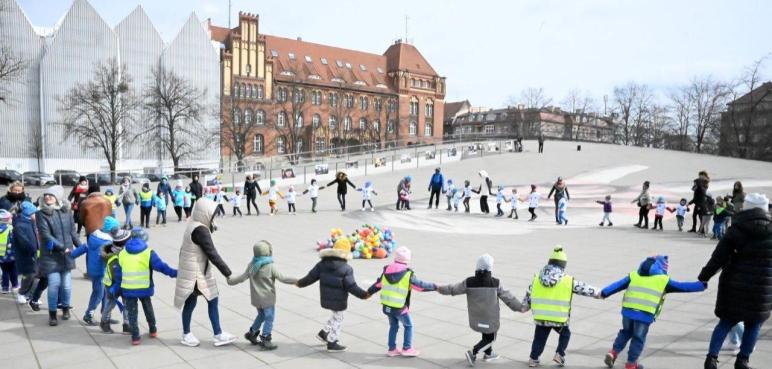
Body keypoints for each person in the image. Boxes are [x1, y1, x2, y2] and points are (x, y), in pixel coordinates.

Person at [699, 193, 772, 369]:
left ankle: (712, 359)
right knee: (753, 324)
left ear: (746, 207)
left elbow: (719, 257)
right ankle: (743, 360)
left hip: (734, 283)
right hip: (762, 286)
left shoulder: (736, 227)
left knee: (725, 321)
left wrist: (704, 276)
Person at [600, 255, 705, 369]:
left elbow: (618, 284)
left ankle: (613, 352)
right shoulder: (663, 280)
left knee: (625, 332)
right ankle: (631, 364)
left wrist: (605, 292)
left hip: (628, 311)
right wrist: (701, 285)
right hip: (644, 314)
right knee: (638, 338)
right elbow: (683, 286)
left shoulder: (634, 275)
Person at [438, 254, 524, 366]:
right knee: (491, 338)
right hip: (490, 317)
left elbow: (453, 289)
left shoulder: (469, 282)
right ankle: (473, 353)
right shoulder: (495, 283)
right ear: (490, 268)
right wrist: (520, 307)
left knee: (486, 333)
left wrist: (439, 288)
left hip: (476, 316)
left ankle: (488, 353)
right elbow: (509, 298)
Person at [522, 247, 601, 367]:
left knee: (539, 338)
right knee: (565, 334)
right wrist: (598, 293)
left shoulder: (537, 278)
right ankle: (559, 354)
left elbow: (529, 293)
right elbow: (583, 288)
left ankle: (533, 359)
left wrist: (524, 307)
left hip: (541, 317)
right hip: (559, 319)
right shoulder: (568, 280)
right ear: (563, 265)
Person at [174, 198, 236, 347]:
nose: (213, 217)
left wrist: (211, 227)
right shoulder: (201, 230)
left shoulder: (194, 225)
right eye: (212, 214)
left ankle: (196, 333)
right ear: (205, 213)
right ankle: (211, 334)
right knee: (204, 300)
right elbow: (212, 253)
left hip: (195, 270)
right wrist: (228, 272)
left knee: (198, 301)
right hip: (195, 273)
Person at [296, 238, 369, 352]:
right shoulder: (346, 268)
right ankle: (332, 342)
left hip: (326, 297)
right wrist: (364, 294)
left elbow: (310, 277)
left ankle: (323, 333)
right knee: (339, 318)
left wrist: (300, 283)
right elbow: (352, 286)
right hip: (339, 300)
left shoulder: (322, 264)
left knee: (336, 315)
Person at [227, 240, 298, 350]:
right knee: (269, 317)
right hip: (267, 299)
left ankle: (252, 333)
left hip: (256, 298)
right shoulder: (270, 266)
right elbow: (283, 278)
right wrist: (297, 281)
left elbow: (242, 278)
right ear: (268, 252)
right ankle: (265, 338)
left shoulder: (252, 265)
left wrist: (230, 281)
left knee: (261, 315)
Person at [367, 246, 436, 357]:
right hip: (399, 308)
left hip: (387, 306)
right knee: (408, 325)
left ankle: (392, 349)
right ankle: (407, 348)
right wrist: (435, 287)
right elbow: (420, 287)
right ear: (407, 260)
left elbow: (378, 285)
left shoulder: (386, 270)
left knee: (393, 326)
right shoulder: (408, 274)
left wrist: (368, 293)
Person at [115, 228, 177, 345]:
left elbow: (118, 274)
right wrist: (175, 273)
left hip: (128, 289)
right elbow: (161, 267)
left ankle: (135, 336)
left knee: (132, 313)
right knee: (148, 307)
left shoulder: (122, 253)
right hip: (144, 288)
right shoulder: (148, 252)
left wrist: (117, 289)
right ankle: (153, 329)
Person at [37, 185, 83, 326]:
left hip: (66, 255)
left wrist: (81, 246)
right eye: (46, 195)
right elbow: (46, 236)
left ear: (58, 198)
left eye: (51, 195)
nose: (47, 197)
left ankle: (65, 308)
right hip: (51, 256)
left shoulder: (66, 212)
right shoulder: (41, 214)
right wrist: (63, 248)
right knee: (54, 285)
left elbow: (72, 232)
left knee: (67, 286)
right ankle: (52, 314)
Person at [70, 216, 118, 325]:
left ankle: (105, 315)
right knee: (99, 294)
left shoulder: (93, 237)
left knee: (105, 293)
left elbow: (83, 248)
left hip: (96, 271)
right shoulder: (107, 243)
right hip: (101, 272)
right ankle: (88, 315)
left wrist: (71, 255)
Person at [100, 228, 131, 334]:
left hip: (124, 283)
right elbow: (115, 274)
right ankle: (104, 322)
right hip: (112, 285)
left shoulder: (120, 252)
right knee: (110, 304)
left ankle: (127, 324)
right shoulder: (116, 256)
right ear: (123, 243)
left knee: (127, 303)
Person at [13, 202, 40, 305]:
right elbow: (24, 242)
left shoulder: (30, 222)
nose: (36, 215)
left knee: (34, 275)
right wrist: (33, 250)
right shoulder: (20, 225)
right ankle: (22, 293)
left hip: (34, 254)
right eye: (34, 213)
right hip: (25, 256)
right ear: (28, 213)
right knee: (28, 275)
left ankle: (29, 295)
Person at [0, 210, 18, 294]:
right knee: (13, 270)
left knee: (5, 272)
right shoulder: (10, 228)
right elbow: (14, 241)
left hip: (1, 255)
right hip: (11, 255)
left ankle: (5, 288)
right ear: (7, 219)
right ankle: (15, 285)